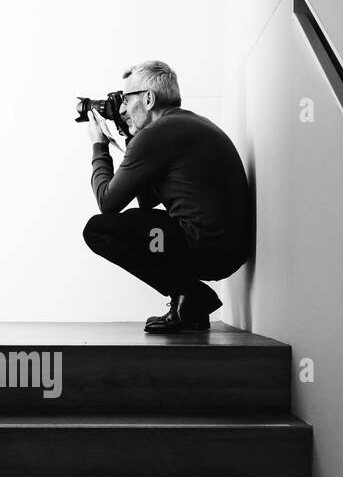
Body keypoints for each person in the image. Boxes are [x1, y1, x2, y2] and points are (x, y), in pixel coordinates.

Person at [82, 61, 252, 333]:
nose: (123, 109)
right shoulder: (187, 124)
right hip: (226, 250)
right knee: (141, 224)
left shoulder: (157, 134)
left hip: (203, 248)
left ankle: (192, 295)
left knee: (99, 230)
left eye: (126, 99)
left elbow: (107, 203)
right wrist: (129, 138)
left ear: (148, 98)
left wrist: (99, 145)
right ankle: (190, 307)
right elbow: (147, 203)